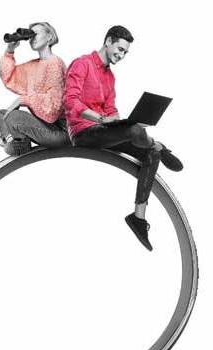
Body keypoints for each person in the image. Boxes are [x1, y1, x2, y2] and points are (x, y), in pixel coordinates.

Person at [63, 25, 183, 251]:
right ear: (108, 41)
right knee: (136, 131)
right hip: (83, 133)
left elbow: (111, 109)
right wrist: (101, 119)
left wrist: (119, 123)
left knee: (150, 152)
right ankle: (160, 145)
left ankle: (138, 218)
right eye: (120, 49)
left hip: (103, 130)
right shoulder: (82, 64)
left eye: (125, 52)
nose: (122, 55)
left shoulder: (110, 76)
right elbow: (70, 102)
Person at [0, 22, 71, 156]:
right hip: (45, 126)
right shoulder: (33, 66)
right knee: (0, 114)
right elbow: (9, 77)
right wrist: (10, 51)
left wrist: (24, 100)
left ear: (49, 37)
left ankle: (13, 143)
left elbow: (53, 109)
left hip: (61, 132)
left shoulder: (55, 63)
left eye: (36, 34)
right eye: (30, 35)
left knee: (12, 117)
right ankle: (14, 141)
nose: (32, 38)